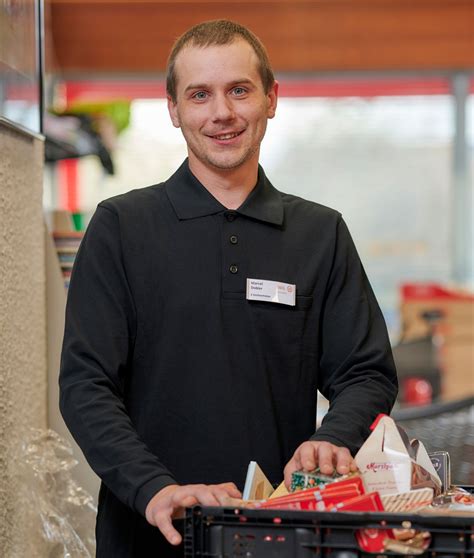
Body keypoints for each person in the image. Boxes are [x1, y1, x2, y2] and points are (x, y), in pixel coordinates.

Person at [59, 19, 398, 557]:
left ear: (270, 98)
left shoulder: (320, 233)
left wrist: (332, 438)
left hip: (281, 534)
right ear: (174, 109)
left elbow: (365, 371)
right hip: (147, 535)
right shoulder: (121, 227)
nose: (222, 112)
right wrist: (155, 488)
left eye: (239, 90)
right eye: (200, 95)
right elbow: (85, 384)